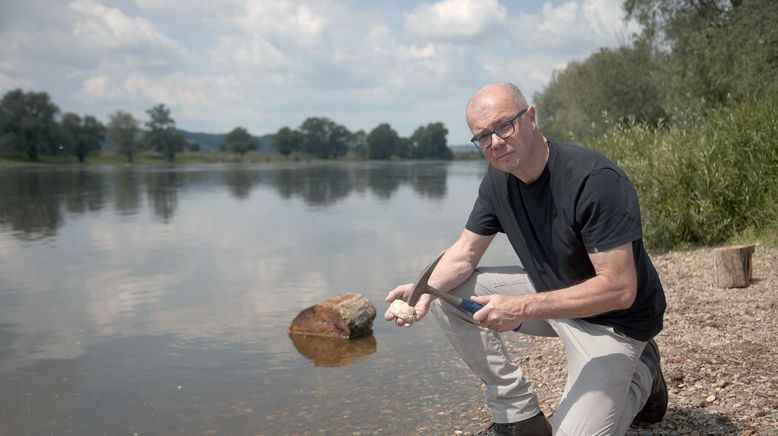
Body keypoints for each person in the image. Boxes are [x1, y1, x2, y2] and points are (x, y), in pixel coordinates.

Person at [384, 82, 667, 436]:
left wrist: (519, 308)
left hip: (615, 323)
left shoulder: (593, 180)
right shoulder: (499, 180)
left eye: (504, 126)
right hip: (555, 299)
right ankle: (518, 414)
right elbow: (464, 254)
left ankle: (643, 373)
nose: (496, 142)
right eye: (483, 137)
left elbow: (620, 289)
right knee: (449, 292)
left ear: (530, 117)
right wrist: (422, 292)